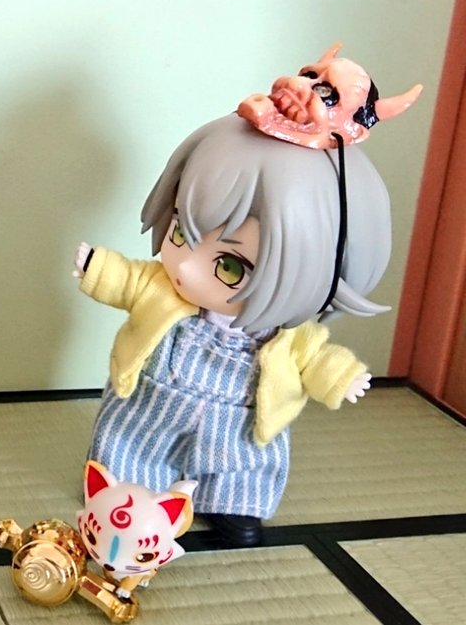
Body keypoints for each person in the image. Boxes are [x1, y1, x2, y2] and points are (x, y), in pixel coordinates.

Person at [74, 49, 420, 545]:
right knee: (132, 441)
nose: (185, 268)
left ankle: (234, 506)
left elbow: (313, 357)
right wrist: (97, 267)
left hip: (237, 418)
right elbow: (130, 280)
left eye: (230, 266)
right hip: (153, 402)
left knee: (243, 459)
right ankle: (128, 487)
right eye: (180, 233)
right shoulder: (165, 290)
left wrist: (341, 377)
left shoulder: (285, 334)